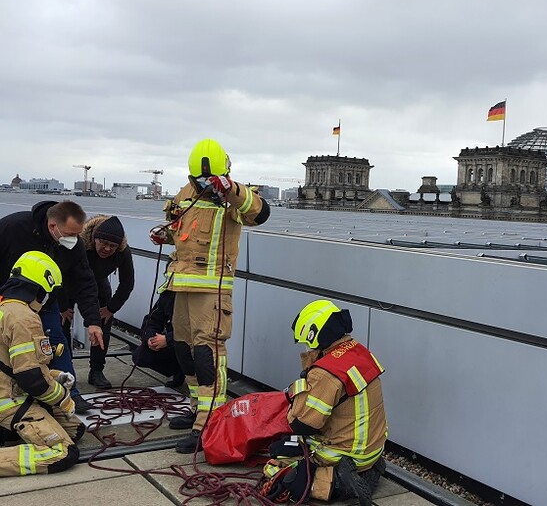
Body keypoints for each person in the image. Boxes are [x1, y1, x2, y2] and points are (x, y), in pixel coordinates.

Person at [149, 138, 270, 453]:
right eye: (199, 179)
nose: (204, 184)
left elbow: (259, 212)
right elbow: (178, 226)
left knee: (207, 353)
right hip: (181, 284)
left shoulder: (232, 196)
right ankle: (195, 408)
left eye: (210, 179)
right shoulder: (185, 194)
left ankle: (210, 422)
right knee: (183, 349)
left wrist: (230, 188)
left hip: (212, 287)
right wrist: (164, 234)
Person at [0, 251, 85, 488]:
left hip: (1, 393)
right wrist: (63, 398)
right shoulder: (25, 318)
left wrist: (56, 377)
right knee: (64, 451)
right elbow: (31, 380)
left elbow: (22, 367)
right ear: (41, 289)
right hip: (9, 399)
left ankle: (2, 431)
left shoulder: (3, 308)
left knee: (76, 430)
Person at [0, 200, 105, 414]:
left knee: (56, 343)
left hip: (44, 300)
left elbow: (85, 281)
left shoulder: (74, 244)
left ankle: (70, 393)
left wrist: (93, 322)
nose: (74, 239)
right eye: (70, 233)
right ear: (53, 226)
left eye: (77, 234)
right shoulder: (14, 227)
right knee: (1, 348)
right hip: (6, 301)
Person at [262, 300, 388, 506]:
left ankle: (337, 483)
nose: (306, 349)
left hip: (346, 452)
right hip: (373, 447)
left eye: (307, 344)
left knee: (277, 465)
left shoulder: (325, 373)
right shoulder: (358, 351)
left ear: (316, 337)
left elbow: (303, 424)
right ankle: (369, 470)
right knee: (286, 445)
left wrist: (300, 394)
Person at [71, 215, 135, 389]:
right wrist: (62, 307)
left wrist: (111, 308)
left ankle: (96, 370)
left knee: (102, 327)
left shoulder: (123, 251)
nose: (107, 249)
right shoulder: (79, 245)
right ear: (94, 239)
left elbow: (127, 283)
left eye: (112, 246)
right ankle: (65, 371)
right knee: (60, 324)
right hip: (70, 284)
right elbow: (61, 271)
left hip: (99, 285)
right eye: (103, 243)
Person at [132, 288, 187, 387]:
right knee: (140, 355)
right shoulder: (169, 294)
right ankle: (179, 371)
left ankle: (193, 376)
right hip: (175, 343)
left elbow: (200, 330)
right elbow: (152, 320)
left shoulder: (199, 298)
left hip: (194, 347)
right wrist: (151, 338)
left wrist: (168, 339)